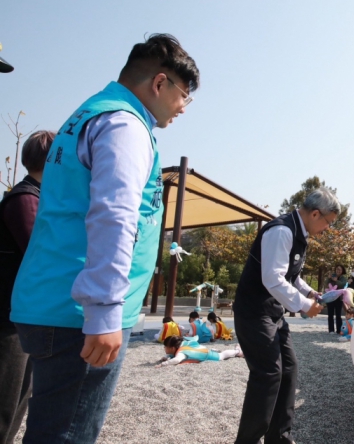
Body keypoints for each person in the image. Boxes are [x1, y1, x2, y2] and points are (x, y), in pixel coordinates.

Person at [10, 33, 200, 443]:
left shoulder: (89, 114)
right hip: (78, 315)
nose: (184, 107)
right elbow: (114, 216)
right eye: (184, 95)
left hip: (52, 301)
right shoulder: (125, 125)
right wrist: (104, 311)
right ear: (160, 83)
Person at [233, 187, 337, 444]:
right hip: (254, 312)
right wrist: (305, 305)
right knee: (268, 374)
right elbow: (273, 278)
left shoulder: (299, 233)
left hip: (273, 313)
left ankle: (279, 438)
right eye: (329, 222)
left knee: (289, 370)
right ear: (315, 214)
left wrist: (310, 292)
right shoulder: (281, 231)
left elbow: (292, 276)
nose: (328, 228)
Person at [0, 130, 55, 444]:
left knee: (18, 400)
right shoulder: (25, 199)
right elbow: (42, 254)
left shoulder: (35, 197)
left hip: (21, 317)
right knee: (6, 403)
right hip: (7, 321)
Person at [155, 335, 242, 367]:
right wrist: (166, 356)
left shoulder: (181, 352)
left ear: (172, 348)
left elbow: (177, 359)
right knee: (217, 353)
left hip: (206, 355)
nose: (164, 348)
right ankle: (215, 350)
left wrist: (164, 364)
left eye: (165, 347)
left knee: (222, 356)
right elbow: (172, 355)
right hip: (201, 349)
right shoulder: (181, 345)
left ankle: (237, 351)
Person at [325, 264, 347, 334]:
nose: (338, 271)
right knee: (330, 314)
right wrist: (329, 278)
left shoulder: (343, 278)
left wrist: (336, 280)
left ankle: (339, 330)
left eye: (340, 270)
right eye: (337, 269)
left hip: (338, 298)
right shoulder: (332, 275)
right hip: (330, 297)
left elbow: (343, 285)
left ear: (342, 271)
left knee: (338, 315)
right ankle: (331, 330)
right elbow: (325, 284)